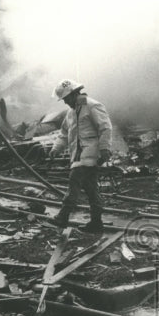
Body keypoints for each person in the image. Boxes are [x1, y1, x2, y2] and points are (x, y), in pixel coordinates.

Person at [48, 79, 112, 234]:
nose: (65, 103)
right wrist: (56, 148)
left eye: (65, 99)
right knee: (91, 190)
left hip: (89, 154)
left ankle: (63, 217)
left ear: (73, 94)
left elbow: (105, 127)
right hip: (78, 155)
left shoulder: (92, 106)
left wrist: (104, 149)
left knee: (73, 184)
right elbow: (64, 133)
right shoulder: (71, 113)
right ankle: (96, 223)